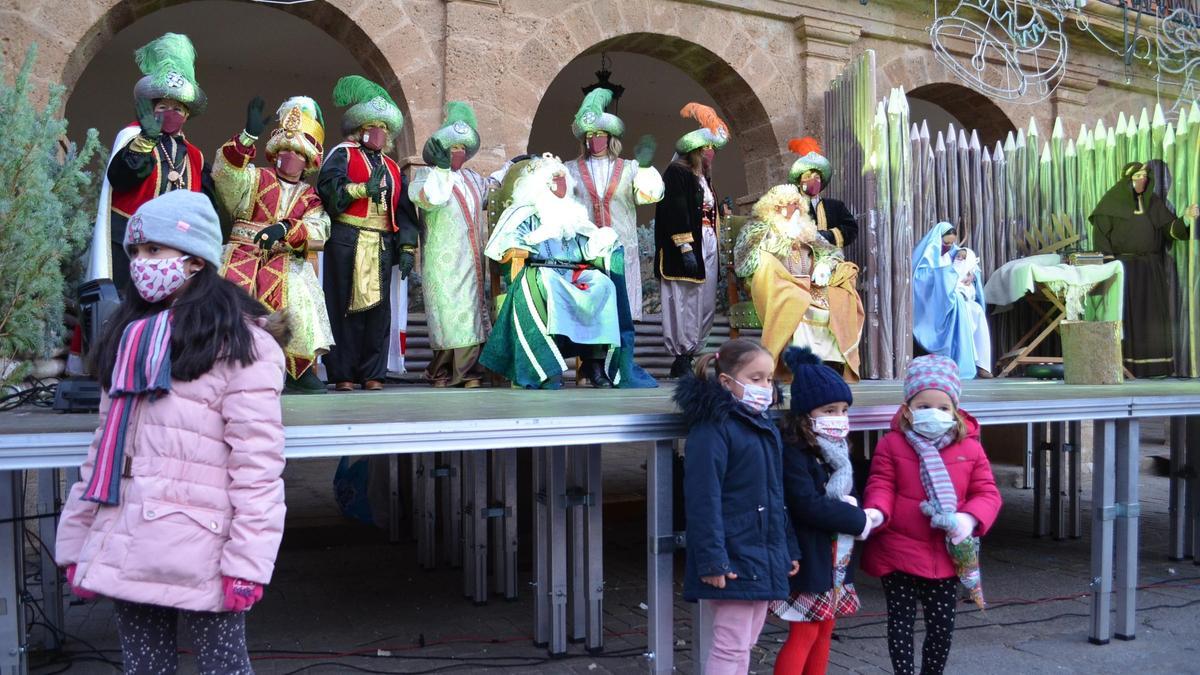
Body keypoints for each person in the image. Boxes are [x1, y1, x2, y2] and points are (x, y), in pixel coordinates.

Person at [55, 190, 287, 675]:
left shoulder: (243, 345)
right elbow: (103, 454)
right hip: (126, 539)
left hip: (202, 550)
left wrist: (247, 562)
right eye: (136, 252)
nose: (142, 263)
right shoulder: (130, 336)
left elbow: (257, 467)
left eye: (155, 251)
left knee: (223, 668)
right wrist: (78, 544)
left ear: (196, 259)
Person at [861, 355, 1002, 675]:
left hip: (945, 557)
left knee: (941, 628)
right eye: (923, 405)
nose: (933, 413)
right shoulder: (892, 444)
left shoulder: (971, 448)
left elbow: (987, 493)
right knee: (900, 622)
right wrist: (876, 512)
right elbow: (881, 483)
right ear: (908, 408)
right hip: (897, 552)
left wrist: (968, 519)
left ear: (955, 410)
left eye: (942, 407)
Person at [673, 338, 799, 675]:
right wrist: (712, 559)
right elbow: (703, 499)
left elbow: (775, 497)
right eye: (755, 379)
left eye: (769, 379)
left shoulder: (762, 427)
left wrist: (788, 549)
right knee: (731, 646)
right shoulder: (714, 429)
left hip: (758, 555)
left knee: (745, 641)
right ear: (726, 382)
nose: (765, 387)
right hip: (732, 556)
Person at [481, 154, 652, 389]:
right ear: (543, 183)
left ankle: (594, 362)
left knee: (603, 285)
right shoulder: (524, 213)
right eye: (556, 178)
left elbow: (585, 246)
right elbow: (507, 249)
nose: (562, 183)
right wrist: (535, 238)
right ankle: (546, 367)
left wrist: (601, 242)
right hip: (539, 271)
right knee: (549, 283)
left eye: (564, 178)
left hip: (572, 272)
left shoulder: (573, 213)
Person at [214, 95, 333, 394]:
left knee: (299, 292)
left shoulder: (310, 197)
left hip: (286, 258)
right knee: (229, 300)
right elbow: (227, 178)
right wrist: (247, 137)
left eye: (296, 153)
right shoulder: (255, 177)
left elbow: (320, 229)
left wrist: (286, 229)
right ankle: (225, 366)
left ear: (307, 161)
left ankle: (297, 372)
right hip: (242, 253)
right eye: (284, 150)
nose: (289, 157)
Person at [771, 347, 876, 675]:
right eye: (830, 410)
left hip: (835, 558)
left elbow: (847, 493)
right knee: (805, 631)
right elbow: (807, 505)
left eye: (844, 410)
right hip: (810, 556)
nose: (839, 418)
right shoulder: (794, 451)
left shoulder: (838, 452)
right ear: (806, 413)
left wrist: (855, 508)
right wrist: (858, 519)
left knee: (825, 628)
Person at [88, 32, 213, 291]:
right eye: (163, 107)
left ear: (187, 115)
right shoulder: (132, 137)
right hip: (129, 245)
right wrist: (146, 140)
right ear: (151, 108)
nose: (171, 113)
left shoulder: (195, 156)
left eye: (178, 109)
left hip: (175, 250)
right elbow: (121, 179)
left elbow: (206, 206)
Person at [318, 75, 419, 391]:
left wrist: (406, 248)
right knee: (344, 309)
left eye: (385, 128)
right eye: (374, 127)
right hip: (347, 239)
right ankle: (343, 373)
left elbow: (403, 209)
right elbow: (328, 189)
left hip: (382, 243)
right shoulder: (343, 154)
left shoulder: (391, 166)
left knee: (378, 314)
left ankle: (373, 372)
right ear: (360, 129)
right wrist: (362, 189)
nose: (380, 133)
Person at [734, 184, 864, 381]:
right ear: (773, 207)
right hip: (776, 284)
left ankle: (829, 364)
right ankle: (799, 364)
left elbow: (832, 251)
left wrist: (825, 265)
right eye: (785, 204)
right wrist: (786, 238)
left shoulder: (807, 229)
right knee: (797, 300)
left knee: (839, 299)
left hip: (811, 285)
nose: (792, 208)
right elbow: (745, 263)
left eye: (796, 203)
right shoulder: (758, 229)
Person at [1089, 161, 1199, 377]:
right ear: (1127, 179)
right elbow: (1101, 237)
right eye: (1138, 175)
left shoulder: (1154, 203)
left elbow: (1169, 230)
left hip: (1151, 270)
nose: (1143, 180)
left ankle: (1156, 367)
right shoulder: (1110, 203)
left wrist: (1186, 218)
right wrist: (1111, 267)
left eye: (1145, 175)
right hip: (1125, 271)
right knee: (1130, 319)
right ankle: (1127, 368)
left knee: (1152, 319)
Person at [409, 101, 490, 388]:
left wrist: (515, 168)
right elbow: (430, 198)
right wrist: (441, 170)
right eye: (452, 147)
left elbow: (492, 191)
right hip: (442, 261)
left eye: (462, 148)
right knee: (447, 315)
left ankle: (468, 372)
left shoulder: (473, 179)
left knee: (469, 314)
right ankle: (443, 371)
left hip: (471, 259)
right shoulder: (425, 176)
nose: (458, 152)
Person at [565, 88, 665, 321]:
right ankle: (593, 358)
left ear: (610, 137)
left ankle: (624, 356)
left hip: (621, 248)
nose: (594, 140)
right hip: (586, 250)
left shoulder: (630, 168)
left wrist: (646, 167)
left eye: (600, 134)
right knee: (591, 313)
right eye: (589, 135)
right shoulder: (570, 169)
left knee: (622, 312)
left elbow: (649, 196)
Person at [656, 103, 730, 378]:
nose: (712, 155)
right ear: (697, 151)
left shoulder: (705, 180)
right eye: (708, 150)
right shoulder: (677, 173)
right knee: (684, 300)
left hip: (708, 243)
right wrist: (685, 246)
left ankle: (694, 351)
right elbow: (675, 211)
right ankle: (681, 355)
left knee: (705, 301)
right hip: (686, 244)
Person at [912, 222, 992, 379]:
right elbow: (920, 280)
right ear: (937, 239)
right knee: (961, 307)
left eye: (951, 243)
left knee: (977, 311)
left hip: (955, 295)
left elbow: (968, 264)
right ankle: (959, 361)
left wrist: (971, 275)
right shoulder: (926, 255)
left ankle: (981, 364)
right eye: (945, 243)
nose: (948, 246)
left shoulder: (953, 253)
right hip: (934, 304)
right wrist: (947, 276)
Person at [787, 137, 857, 252]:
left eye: (817, 177)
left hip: (831, 260)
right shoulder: (791, 206)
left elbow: (851, 229)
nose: (813, 180)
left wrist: (826, 236)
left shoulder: (836, 206)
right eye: (807, 177)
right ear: (800, 182)